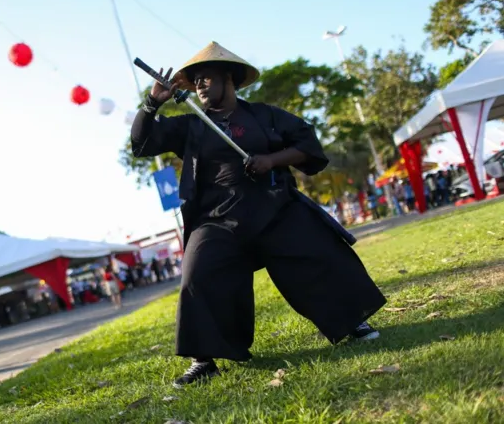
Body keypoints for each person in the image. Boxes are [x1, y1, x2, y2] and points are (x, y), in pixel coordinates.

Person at [130, 42, 387, 387]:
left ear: (229, 78)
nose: (200, 86)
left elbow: (308, 145)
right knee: (198, 272)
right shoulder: (192, 125)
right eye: (196, 81)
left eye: (207, 78)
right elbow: (141, 144)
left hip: (273, 206)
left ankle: (350, 320)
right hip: (217, 219)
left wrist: (271, 160)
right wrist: (152, 103)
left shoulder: (264, 115)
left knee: (318, 245)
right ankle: (203, 360)